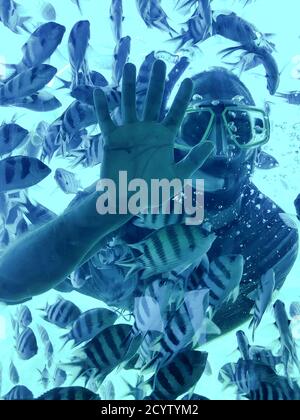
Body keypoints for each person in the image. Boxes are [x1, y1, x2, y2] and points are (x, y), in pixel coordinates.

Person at [0, 62, 298, 338]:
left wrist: (147, 350)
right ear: (173, 140)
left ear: (258, 145)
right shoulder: (123, 195)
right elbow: (9, 284)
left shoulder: (275, 237)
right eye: (196, 127)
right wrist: (94, 219)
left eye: (239, 128)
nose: (217, 148)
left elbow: (196, 340)